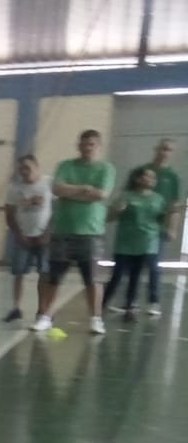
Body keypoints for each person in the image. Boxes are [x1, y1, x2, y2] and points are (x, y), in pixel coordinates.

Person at [31, 128, 115, 336]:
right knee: (54, 277)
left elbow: (101, 194)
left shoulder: (106, 169)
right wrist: (85, 189)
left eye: (91, 144)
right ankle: (45, 317)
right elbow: (57, 189)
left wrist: (72, 191)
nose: (87, 148)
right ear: (78, 145)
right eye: (83, 144)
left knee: (92, 279)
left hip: (91, 232)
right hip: (63, 231)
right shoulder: (65, 165)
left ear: (98, 146)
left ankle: (96, 319)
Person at [118, 138, 182, 317]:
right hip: (135, 227)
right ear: (156, 149)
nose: (165, 152)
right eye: (163, 148)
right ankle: (131, 301)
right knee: (133, 267)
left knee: (154, 265)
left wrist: (173, 228)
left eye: (169, 150)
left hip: (157, 226)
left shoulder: (173, 177)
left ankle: (154, 300)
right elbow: (126, 194)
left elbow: (175, 205)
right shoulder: (141, 171)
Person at [102, 166, 166, 322]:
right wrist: (118, 210)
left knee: (136, 275)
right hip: (126, 243)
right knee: (117, 274)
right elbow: (108, 217)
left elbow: (160, 219)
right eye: (148, 176)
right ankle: (102, 302)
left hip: (148, 241)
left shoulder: (158, 199)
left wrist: (170, 214)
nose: (152, 180)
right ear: (138, 179)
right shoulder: (126, 196)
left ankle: (130, 305)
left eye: (153, 177)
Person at [2, 153, 51, 323]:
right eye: (21, 169)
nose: (24, 171)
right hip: (23, 237)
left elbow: (58, 209)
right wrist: (19, 234)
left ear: (37, 167)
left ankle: (42, 309)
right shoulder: (14, 188)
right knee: (19, 272)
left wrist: (48, 232)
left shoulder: (48, 184)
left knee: (44, 273)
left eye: (27, 168)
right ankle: (16, 307)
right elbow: (9, 214)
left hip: (44, 237)